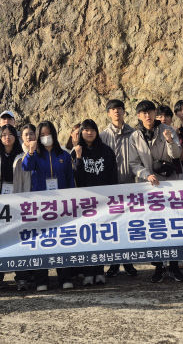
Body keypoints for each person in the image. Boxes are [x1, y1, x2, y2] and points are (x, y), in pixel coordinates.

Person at [128, 100, 183, 283]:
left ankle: (175, 266)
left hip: (170, 183)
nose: (147, 116)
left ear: (155, 113)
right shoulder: (135, 136)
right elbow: (133, 163)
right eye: (143, 113)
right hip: (150, 186)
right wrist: (146, 174)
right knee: (155, 227)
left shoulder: (168, 130)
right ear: (138, 116)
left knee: (173, 224)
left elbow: (176, 154)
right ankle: (159, 267)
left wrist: (169, 141)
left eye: (150, 112)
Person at [22, 121, 75, 290]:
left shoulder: (64, 155)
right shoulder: (35, 155)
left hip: (61, 205)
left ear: (54, 134)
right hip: (40, 205)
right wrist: (30, 151)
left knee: (62, 241)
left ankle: (65, 277)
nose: (46, 138)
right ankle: (41, 280)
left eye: (48, 134)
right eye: (42, 135)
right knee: (41, 242)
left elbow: (70, 180)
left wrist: (72, 202)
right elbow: (26, 167)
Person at [0, 124, 31, 291]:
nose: (7, 137)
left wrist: (24, 202)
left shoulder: (22, 155)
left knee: (19, 240)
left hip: (17, 202)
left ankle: (22, 277)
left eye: (10, 134)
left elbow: (27, 181)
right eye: (4, 134)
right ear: (0, 138)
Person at [72, 119, 119, 285]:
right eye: (85, 130)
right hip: (83, 202)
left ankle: (99, 272)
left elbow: (113, 176)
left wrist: (112, 196)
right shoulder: (76, 151)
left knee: (99, 237)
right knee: (86, 237)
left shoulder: (106, 151)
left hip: (103, 201)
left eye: (92, 130)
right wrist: (78, 157)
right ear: (81, 133)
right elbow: (76, 178)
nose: (89, 133)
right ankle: (87, 273)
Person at [100, 99, 139, 277]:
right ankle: (114, 263)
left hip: (129, 185)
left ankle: (128, 262)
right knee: (113, 227)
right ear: (108, 113)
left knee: (128, 226)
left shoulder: (134, 133)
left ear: (124, 112)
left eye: (119, 109)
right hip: (109, 188)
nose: (116, 112)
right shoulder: (103, 136)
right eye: (112, 109)